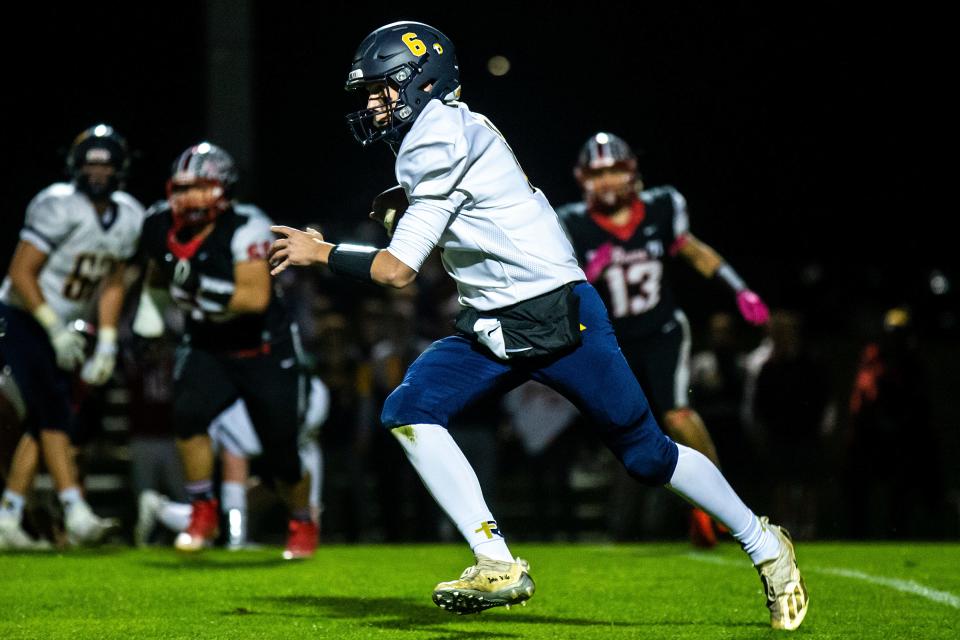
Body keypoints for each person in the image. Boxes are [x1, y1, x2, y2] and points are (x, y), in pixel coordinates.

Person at [268, 21, 807, 629]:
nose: (370, 104)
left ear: (416, 81)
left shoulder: (435, 138)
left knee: (648, 456)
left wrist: (323, 252)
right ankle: (496, 561)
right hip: (492, 321)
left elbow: (397, 271)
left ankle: (766, 546)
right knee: (408, 410)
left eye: (380, 89)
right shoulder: (445, 127)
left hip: (554, 314)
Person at [557, 132, 769, 547]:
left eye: (615, 170)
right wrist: (582, 270)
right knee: (624, 428)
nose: (607, 182)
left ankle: (721, 505)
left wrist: (738, 287)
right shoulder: (571, 224)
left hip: (661, 331)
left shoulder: (661, 206)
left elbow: (691, 250)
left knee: (677, 415)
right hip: (612, 339)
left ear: (632, 172)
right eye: (598, 173)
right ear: (583, 178)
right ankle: (640, 519)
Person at [135, 142, 317, 559]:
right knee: (186, 417)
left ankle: (302, 520)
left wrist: (193, 283)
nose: (189, 198)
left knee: (282, 455)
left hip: (262, 348)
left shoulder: (248, 225)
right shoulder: (158, 223)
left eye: (200, 187)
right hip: (208, 344)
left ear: (223, 189)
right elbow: (158, 269)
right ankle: (202, 509)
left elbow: (252, 299)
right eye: (182, 188)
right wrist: (152, 307)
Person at [0, 124, 143, 549]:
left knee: (44, 419)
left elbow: (114, 281)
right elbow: (20, 272)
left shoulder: (129, 214)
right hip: (25, 316)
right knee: (52, 409)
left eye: (106, 163)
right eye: (90, 162)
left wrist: (108, 341)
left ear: (121, 168)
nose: (98, 171)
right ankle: (75, 510)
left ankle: (8, 513)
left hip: (67, 327)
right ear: (74, 166)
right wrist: (54, 327)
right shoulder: (56, 204)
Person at [135, 374, 328, 548]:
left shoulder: (315, 396)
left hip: (276, 449)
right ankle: (163, 511)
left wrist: (310, 508)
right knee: (212, 523)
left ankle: (160, 510)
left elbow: (308, 453)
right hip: (214, 445)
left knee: (282, 489)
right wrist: (237, 539)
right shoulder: (242, 411)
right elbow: (234, 468)